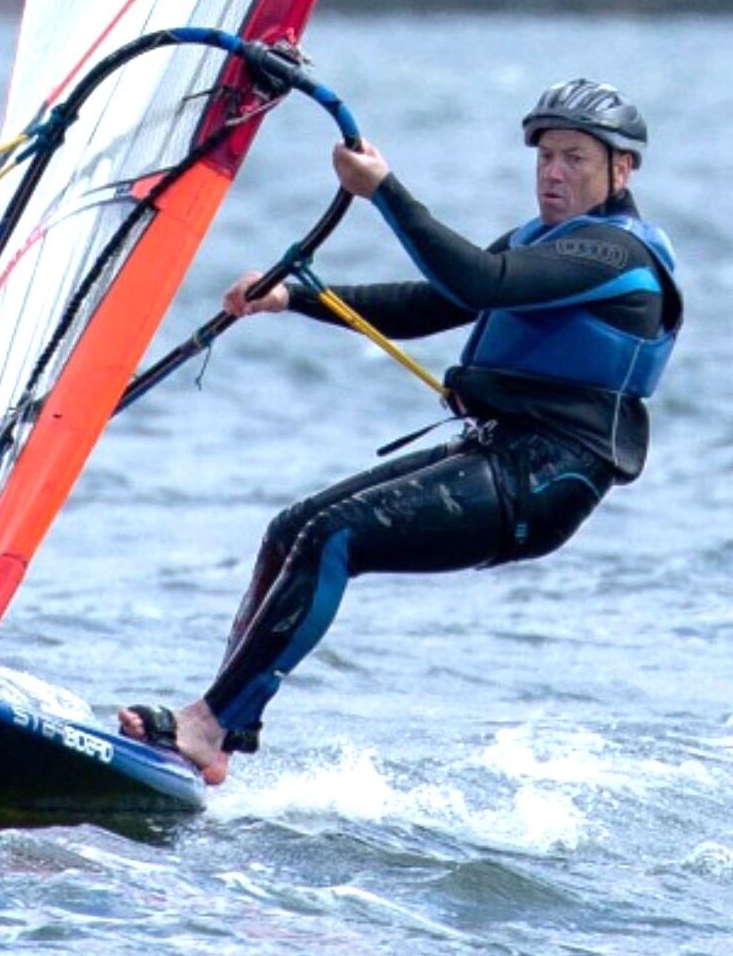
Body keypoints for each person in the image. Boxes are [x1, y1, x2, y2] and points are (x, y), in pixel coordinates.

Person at [119, 79, 683, 784]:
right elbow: (431, 302)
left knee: (334, 538)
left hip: (545, 480)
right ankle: (221, 733)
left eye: (574, 158)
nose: (554, 173)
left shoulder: (613, 257)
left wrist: (383, 189)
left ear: (621, 169)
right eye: (544, 157)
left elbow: (477, 280)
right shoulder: (548, 242)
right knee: (291, 527)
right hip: (501, 452)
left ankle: (207, 727)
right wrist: (297, 298)